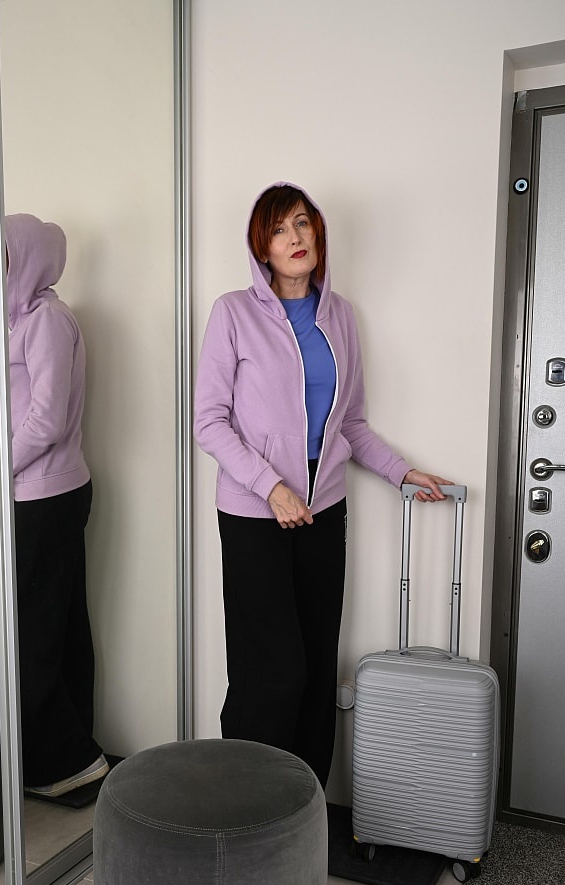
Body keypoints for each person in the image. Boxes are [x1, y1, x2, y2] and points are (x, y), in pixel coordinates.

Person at [194, 182, 451, 788]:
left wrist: (401, 471)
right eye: (280, 229)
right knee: (270, 668)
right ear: (261, 246)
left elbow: (350, 423)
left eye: (303, 224)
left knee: (314, 662)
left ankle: (304, 800)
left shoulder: (340, 316)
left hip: (323, 510)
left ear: (318, 233)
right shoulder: (233, 312)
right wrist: (270, 487)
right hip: (254, 515)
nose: (295, 238)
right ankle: (249, 797)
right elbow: (209, 421)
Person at [0, 214, 107, 798]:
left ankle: (66, 761)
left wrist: (1, 461)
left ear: (29, 258)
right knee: (57, 626)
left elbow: (48, 418)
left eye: (5, 254)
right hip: (41, 492)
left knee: (35, 633)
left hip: (45, 496)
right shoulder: (19, 320)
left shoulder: (47, 321)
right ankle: (74, 759)